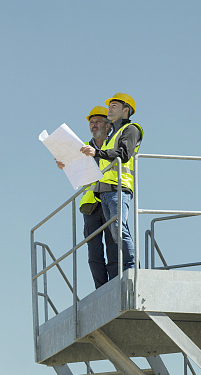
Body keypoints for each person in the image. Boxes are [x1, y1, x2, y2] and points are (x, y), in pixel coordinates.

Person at [57, 106, 119, 288]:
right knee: (94, 251)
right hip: (91, 204)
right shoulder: (82, 148)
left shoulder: (113, 145)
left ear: (108, 126)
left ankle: (115, 286)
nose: (94, 125)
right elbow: (76, 174)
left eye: (98, 122)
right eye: (91, 123)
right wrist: (65, 166)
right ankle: (101, 288)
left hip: (110, 197)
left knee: (113, 245)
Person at [80, 93, 143, 271]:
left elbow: (123, 154)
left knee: (118, 230)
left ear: (126, 110)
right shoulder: (112, 136)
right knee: (114, 234)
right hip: (104, 193)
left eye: (114, 105)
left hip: (118, 188)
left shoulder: (131, 129)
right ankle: (126, 271)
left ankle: (132, 269)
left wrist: (96, 153)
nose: (110, 107)